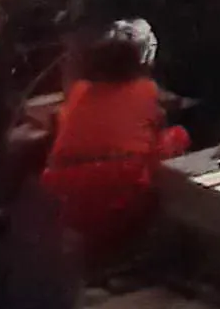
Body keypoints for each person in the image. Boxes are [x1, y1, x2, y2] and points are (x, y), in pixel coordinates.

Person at [36, 19, 189, 268]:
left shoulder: (79, 91)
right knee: (177, 137)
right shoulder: (147, 90)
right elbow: (154, 139)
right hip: (118, 193)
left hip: (63, 197)